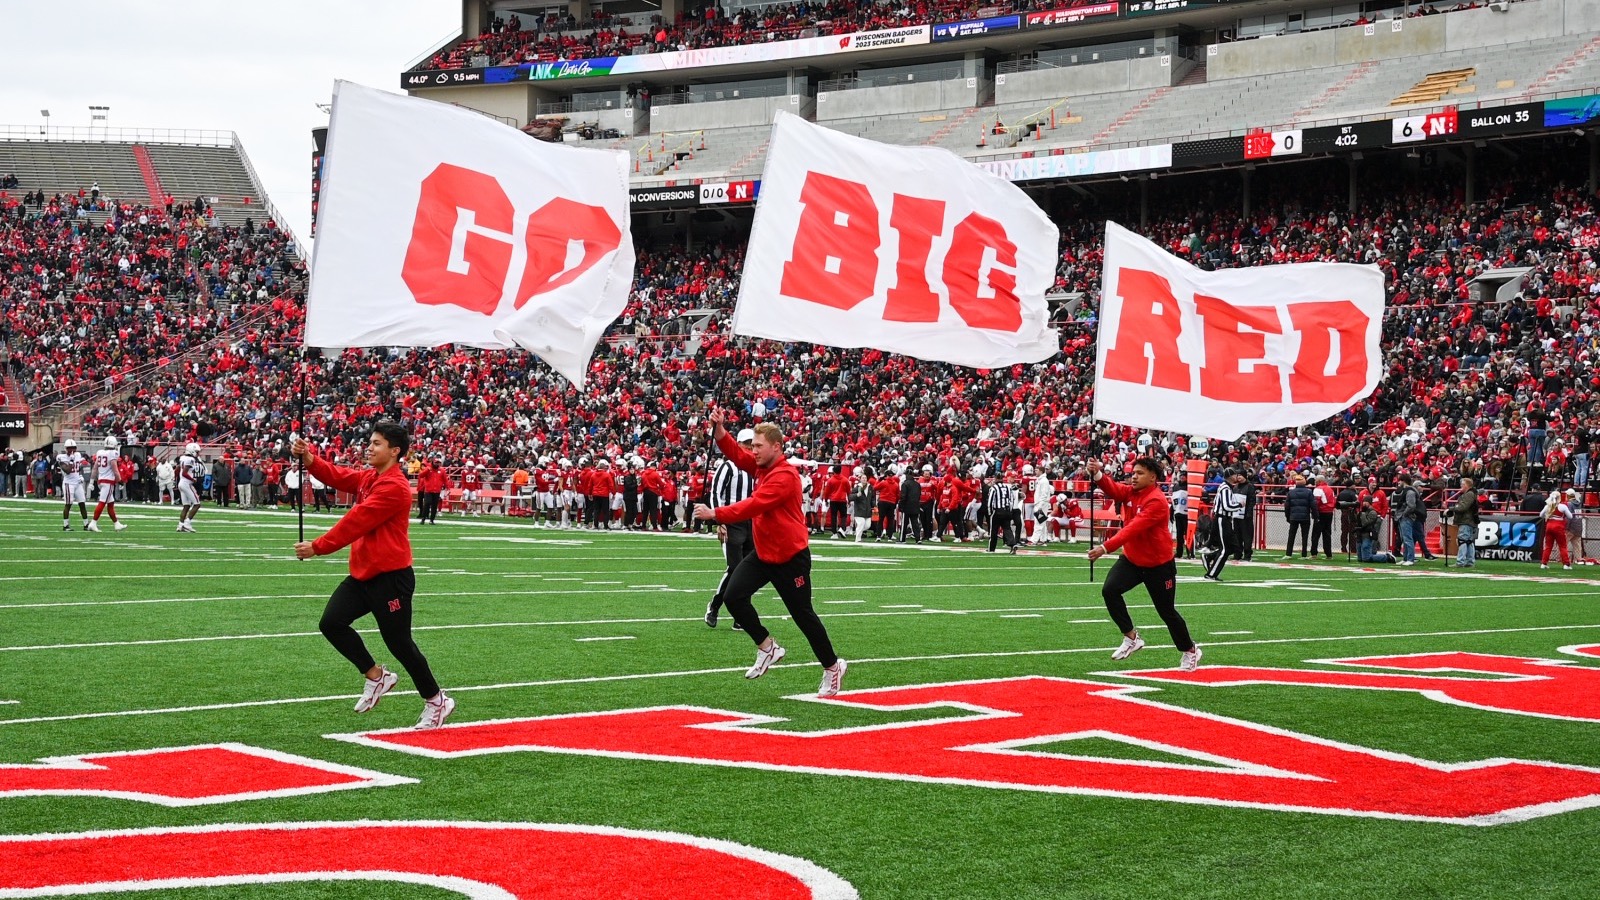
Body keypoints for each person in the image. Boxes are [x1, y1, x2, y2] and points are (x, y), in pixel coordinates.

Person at [292, 420, 455, 729]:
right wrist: (311, 459)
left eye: (377, 443)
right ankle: (376, 676)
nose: (369, 447)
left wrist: (317, 547)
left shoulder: (393, 487)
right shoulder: (371, 477)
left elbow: (356, 521)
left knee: (399, 643)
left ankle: (437, 701)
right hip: (364, 574)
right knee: (331, 623)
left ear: (395, 452)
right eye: (371, 441)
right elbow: (340, 476)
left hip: (391, 577)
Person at [693, 410, 847, 697]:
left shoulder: (785, 476)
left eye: (758, 446)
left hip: (790, 558)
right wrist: (720, 429)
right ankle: (767, 647)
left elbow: (754, 505)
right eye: (753, 446)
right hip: (764, 553)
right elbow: (737, 456)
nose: (753, 452)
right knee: (733, 597)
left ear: (776, 446)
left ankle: (832, 666)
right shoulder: (763, 465)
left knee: (803, 615)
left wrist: (715, 513)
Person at [1085, 457, 1202, 672]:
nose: (1134, 477)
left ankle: (1190, 649)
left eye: (1139, 473)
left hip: (1158, 565)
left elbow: (1133, 528)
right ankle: (1131, 637)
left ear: (1153, 477)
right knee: (1110, 590)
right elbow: (1114, 489)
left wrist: (1105, 548)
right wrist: (1097, 473)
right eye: (1133, 472)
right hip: (1132, 559)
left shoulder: (1156, 501)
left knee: (1166, 612)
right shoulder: (1131, 492)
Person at [705, 427, 756, 629]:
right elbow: (716, 494)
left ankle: (739, 615)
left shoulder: (756, 468)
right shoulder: (728, 466)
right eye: (747, 444)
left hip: (750, 521)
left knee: (748, 571)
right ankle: (715, 606)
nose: (750, 448)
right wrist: (720, 521)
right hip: (732, 522)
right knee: (735, 568)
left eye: (753, 444)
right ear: (739, 444)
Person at [1203, 470, 1246, 581]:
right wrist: (1239, 505)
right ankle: (1211, 574)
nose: (1236, 476)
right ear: (1230, 476)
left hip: (1225, 519)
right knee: (1225, 549)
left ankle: (1210, 556)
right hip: (1222, 518)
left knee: (1235, 547)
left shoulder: (1226, 487)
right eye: (1234, 475)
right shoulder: (1225, 488)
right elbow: (1227, 506)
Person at [90, 436, 127, 532]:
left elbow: (94, 468)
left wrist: (91, 481)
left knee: (110, 503)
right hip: (108, 481)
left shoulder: (99, 453)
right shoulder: (113, 453)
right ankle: (93, 523)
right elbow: (115, 469)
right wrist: (120, 481)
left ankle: (116, 524)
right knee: (102, 503)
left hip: (101, 480)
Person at [57, 438, 90, 531]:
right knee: (68, 504)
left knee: (82, 503)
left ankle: (86, 524)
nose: (71, 450)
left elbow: (78, 468)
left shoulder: (78, 455)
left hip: (77, 483)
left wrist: (80, 475)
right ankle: (65, 525)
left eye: (73, 448)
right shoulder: (61, 457)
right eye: (69, 448)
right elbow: (67, 470)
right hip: (69, 484)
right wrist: (71, 461)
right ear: (65, 448)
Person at [1539, 489, 1573, 570]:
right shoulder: (1562, 506)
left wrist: (1549, 516)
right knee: (1562, 546)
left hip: (1549, 526)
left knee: (1548, 546)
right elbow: (1570, 516)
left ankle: (1543, 563)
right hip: (1558, 527)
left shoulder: (1547, 506)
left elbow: (1541, 515)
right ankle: (1566, 564)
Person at [985, 473, 1020, 553]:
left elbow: (990, 501)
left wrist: (990, 512)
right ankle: (1013, 544)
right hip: (1007, 511)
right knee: (1007, 529)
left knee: (994, 530)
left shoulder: (994, 488)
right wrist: (1010, 511)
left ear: (996, 479)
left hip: (997, 511)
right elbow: (1012, 500)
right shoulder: (1008, 487)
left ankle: (991, 548)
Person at [176, 442, 205, 533]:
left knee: (186, 506)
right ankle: (187, 523)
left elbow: (177, 470)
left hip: (181, 483)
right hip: (187, 483)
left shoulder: (183, 458)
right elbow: (185, 473)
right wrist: (193, 479)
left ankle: (180, 525)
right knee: (197, 504)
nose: (198, 453)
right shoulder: (190, 459)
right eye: (196, 451)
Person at [1355, 498, 1395, 563]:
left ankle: (1386, 557)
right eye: (1363, 502)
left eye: (1365, 502)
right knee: (1360, 559)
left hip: (1367, 535)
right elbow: (1355, 522)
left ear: (1369, 503)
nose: (1363, 504)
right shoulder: (1362, 512)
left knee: (1366, 558)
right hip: (1360, 535)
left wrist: (1362, 513)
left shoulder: (1373, 512)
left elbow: (1365, 523)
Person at [1283, 475, 1313, 558]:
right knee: (1305, 536)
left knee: (1291, 535)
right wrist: (1315, 516)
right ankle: (1304, 554)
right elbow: (1313, 505)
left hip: (1294, 516)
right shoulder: (1309, 492)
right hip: (1305, 516)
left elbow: (1287, 506)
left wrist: (1287, 517)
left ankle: (1288, 553)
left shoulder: (1291, 492)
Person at [1453, 477, 1480, 568]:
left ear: (1466, 485)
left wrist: (1452, 508)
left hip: (1466, 520)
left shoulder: (1468, 495)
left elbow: (1463, 507)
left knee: (1463, 540)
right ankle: (1469, 561)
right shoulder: (1472, 494)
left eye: (1462, 484)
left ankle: (1460, 561)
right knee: (1468, 541)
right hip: (1470, 520)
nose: (1461, 486)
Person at [1310, 475, 1336, 559]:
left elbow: (1316, 502)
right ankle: (1328, 554)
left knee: (1316, 534)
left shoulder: (1318, 489)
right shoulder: (1330, 489)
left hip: (1321, 512)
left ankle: (1314, 553)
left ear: (1318, 481)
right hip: (1330, 512)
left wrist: (1314, 513)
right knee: (1327, 534)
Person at [849, 469, 875, 542]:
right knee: (861, 523)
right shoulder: (857, 488)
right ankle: (858, 539)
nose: (864, 479)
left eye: (865, 478)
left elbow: (872, 498)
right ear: (860, 479)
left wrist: (874, 506)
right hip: (859, 510)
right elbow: (850, 497)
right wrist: (856, 495)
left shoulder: (870, 488)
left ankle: (857, 531)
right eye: (863, 478)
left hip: (868, 510)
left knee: (867, 525)